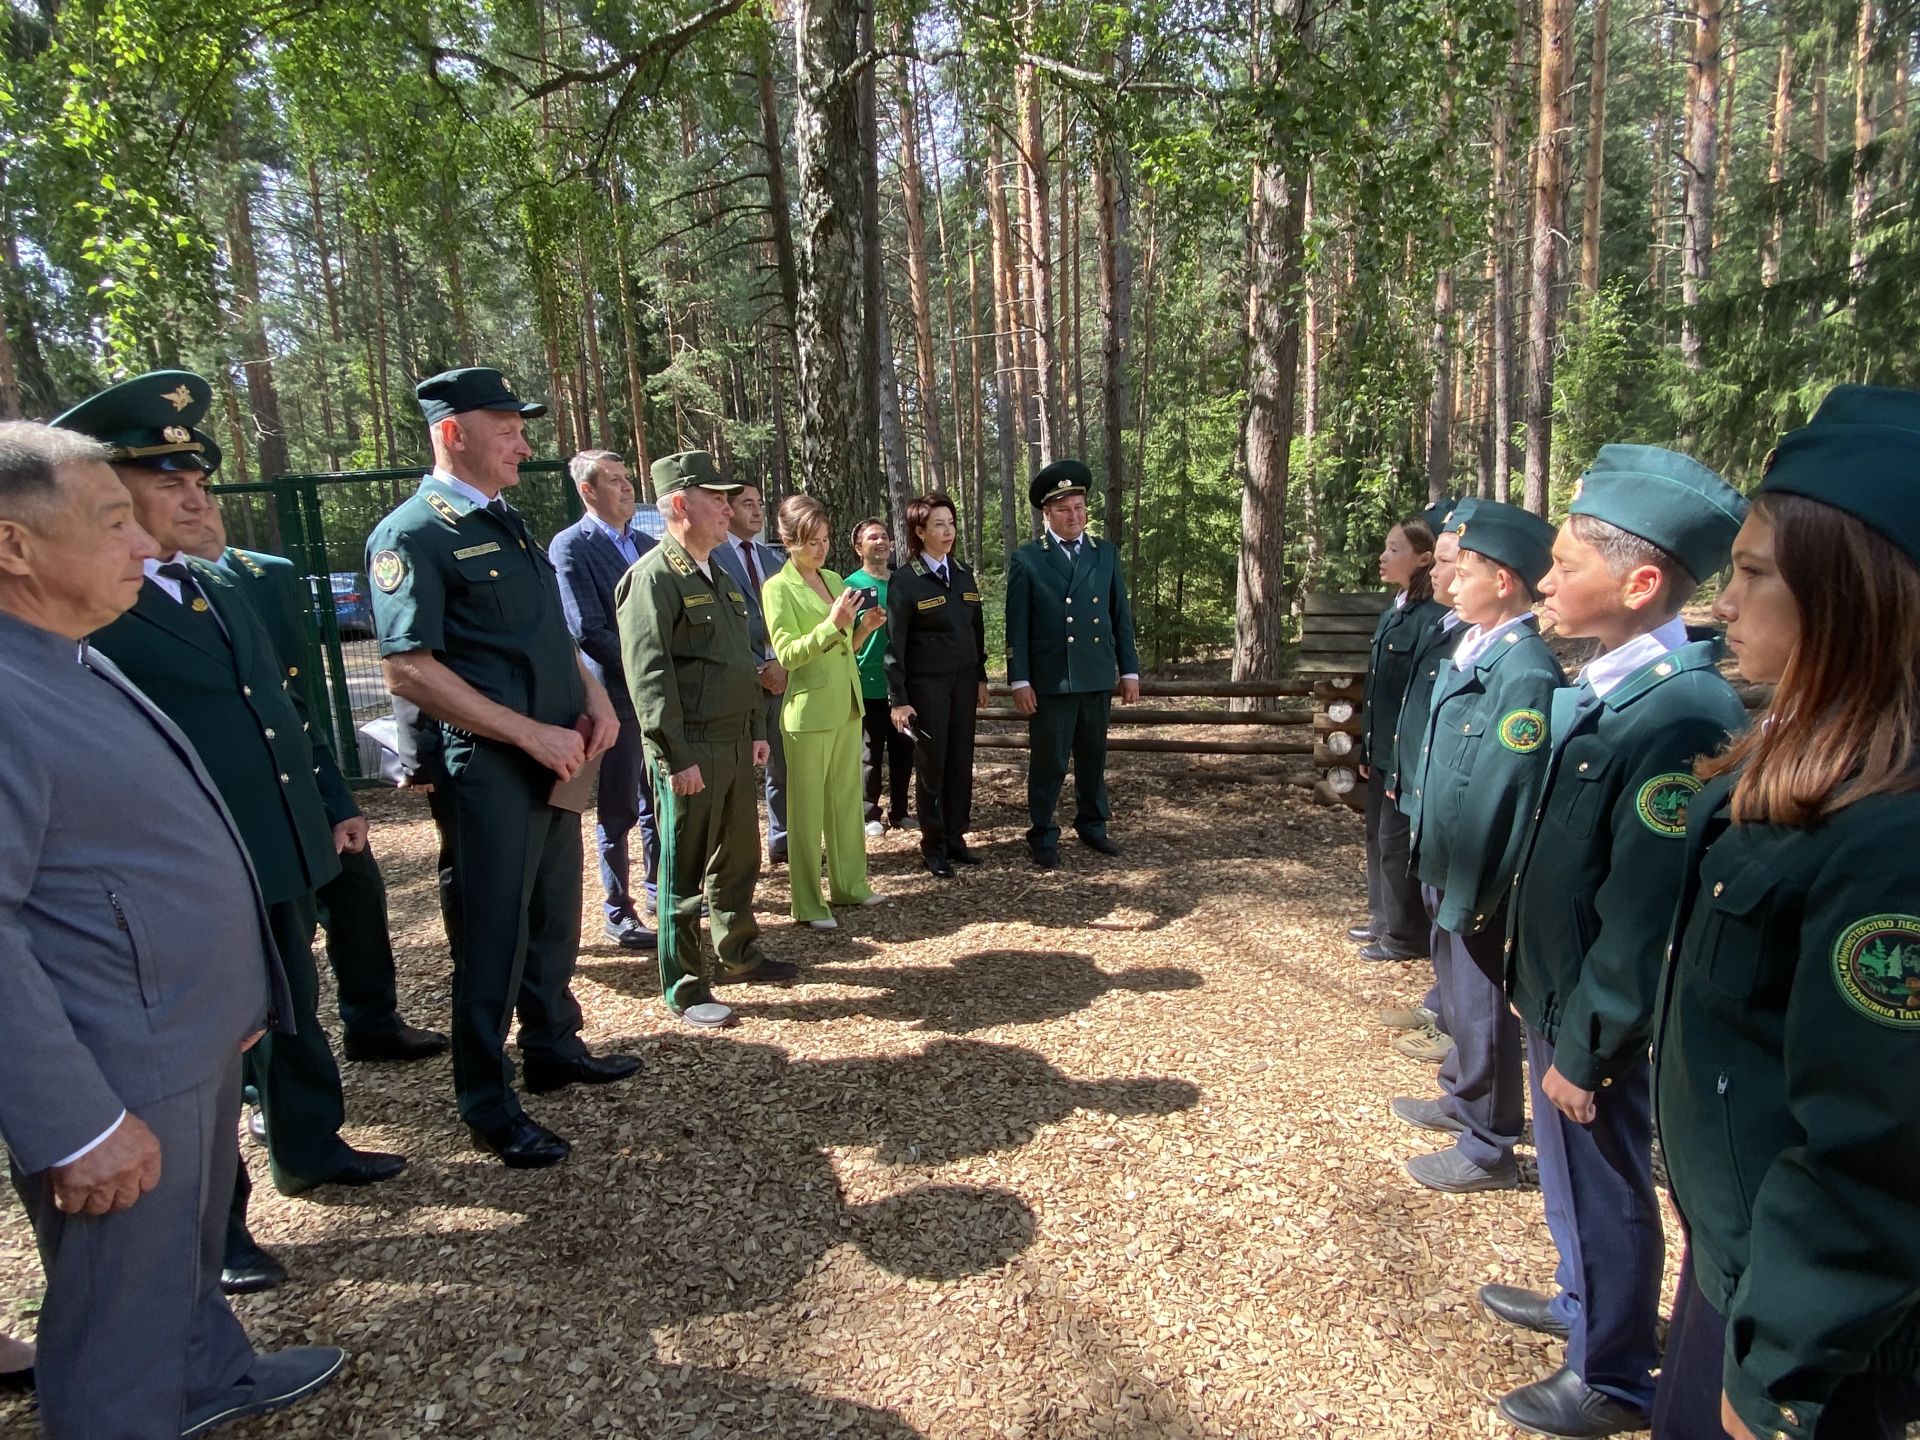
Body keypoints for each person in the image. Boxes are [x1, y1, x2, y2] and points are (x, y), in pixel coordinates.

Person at [0, 420, 343, 1439]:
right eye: (112, 521)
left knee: (179, 1266)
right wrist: (73, 1124)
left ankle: (202, 1375)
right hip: (112, 1069)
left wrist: (225, 998)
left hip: (171, 1034)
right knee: (118, 1311)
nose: (144, 543)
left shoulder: (64, 653)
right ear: (13, 547)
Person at [54, 372, 403, 1290]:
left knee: (290, 1008)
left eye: (196, 479)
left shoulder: (212, 586)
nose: (194, 496)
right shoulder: (96, 613)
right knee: (207, 1054)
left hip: (271, 848)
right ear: (112, 492)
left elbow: (279, 711)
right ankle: (219, 1228)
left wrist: (327, 804)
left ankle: (311, 1147)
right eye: (167, 482)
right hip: (189, 874)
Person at [1651, 386, 1920, 1440]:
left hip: (1807, 1337)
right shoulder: (1805, 761)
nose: (1724, 599)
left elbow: (1877, 1146)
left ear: (1849, 592)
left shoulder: (1890, 835)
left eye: (1756, 572)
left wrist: (1777, 1373)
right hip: (1738, 1258)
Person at [1488, 447, 1750, 1438]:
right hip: (1559, 990)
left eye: (1564, 563)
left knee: (1602, 1173)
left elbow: (1641, 912)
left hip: (1594, 1012)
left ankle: (1611, 1370)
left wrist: (1593, 1042)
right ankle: (1583, 1301)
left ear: (1640, 585)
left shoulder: (1682, 709)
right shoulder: (1616, 680)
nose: (1544, 579)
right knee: (1568, 1172)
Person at [366, 367, 635, 1171]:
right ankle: (488, 1102)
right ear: (454, 433)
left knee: (555, 915)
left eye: (523, 427)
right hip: (490, 768)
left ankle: (554, 1046)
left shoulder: (508, 521)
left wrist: (596, 699)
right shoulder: (412, 533)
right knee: (491, 937)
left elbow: (549, 635)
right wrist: (526, 733)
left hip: (559, 754)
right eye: (507, 428)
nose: (525, 443)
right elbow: (409, 669)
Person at [192, 504, 448, 1065]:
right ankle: (264, 1086)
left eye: (205, 487)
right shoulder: (133, 594)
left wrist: (334, 795)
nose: (200, 504)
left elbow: (291, 698)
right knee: (272, 945)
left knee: (356, 892)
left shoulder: (264, 573)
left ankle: (373, 1023)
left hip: (302, 780)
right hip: (230, 805)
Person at [1396, 500, 1563, 1193]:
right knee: (1458, 992)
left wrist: (1473, 886)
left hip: (1478, 874)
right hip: (1445, 859)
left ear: (1502, 581)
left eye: (1463, 572)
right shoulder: (1476, 646)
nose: (1449, 582)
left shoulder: (1524, 670)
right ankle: (1466, 1093)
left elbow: (1506, 793)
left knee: (1482, 997)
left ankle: (1491, 1139)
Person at [616, 452, 796, 1024]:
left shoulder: (716, 573)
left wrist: (753, 732)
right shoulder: (652, 579)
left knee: (738, 859)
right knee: (683, 871)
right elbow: (650, 680)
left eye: (728, 498)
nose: (726, 508)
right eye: (713, 498)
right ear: (677, 504)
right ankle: (686, 986)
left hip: (734, 746)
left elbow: (738, 661)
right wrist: (676, 757)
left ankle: (738, 953)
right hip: (689, 750)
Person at [1377, 498, 1476, 1066]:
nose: (1437, 575)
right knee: (1444, 921)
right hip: (1425, 788)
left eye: (1449, 564)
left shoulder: (1498, 653)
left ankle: (1465, 1045)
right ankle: (1444, 1007)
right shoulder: (1445, 626)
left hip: (1456, 815)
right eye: (1438, 562)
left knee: (1462, 930)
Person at [549, 448, 660, 949]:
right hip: (615, 696)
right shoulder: (570, 546)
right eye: (613, 480)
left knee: (657, 799)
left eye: (627, 478)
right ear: (587, 490)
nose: (627, 487)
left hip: (658, 694)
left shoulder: (647, 543)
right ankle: (619, 910)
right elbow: (586, 628)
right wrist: (644, 673)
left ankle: (661, 889)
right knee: (617, 809)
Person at [1005, 459, 1141, 868]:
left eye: (1079, 507)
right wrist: (1019, 680)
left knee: (1093, 755)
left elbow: (1120, 615)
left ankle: (1093, 824)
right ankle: (1043, 832)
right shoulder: (1028, 558)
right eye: (1064, 509)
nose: (1074, 516)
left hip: (1096, 673)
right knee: (1048, 761)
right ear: (1047, 513)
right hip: (1052, 679)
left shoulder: (1105, 553)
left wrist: (1128, 669)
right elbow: (1018, 627)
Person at [761, 494, 886, 927]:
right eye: (811, 542)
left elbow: (842, 650)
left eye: (825, 540)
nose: (821, 549)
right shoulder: (777, 588)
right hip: (808, 713)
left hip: (847, 703)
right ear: (788, 541)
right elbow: (789, 654)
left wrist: (862, 630)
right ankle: (808, 904)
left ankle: (850, 885)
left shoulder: (834, 578)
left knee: (846, 802)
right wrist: (830, 623)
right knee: (807, 810)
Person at [884, 492, 989, 878]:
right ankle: (933, 844)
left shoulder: (962, 574)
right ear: (920, 531)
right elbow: (893, 645)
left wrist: (980, 676)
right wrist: (899, 700)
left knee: (961, 760)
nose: (948, 532)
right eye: (939, 525)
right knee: (933, 765)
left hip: (963, 685)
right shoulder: (906, 582)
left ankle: (956, 836)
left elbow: (975, 631)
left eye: (951, 523)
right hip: (926, 688)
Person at [1355, 515, 1444, 963]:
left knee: (1397, 843)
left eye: (1394, 549)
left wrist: (1404, 759)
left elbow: (1423, 697)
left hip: (1406, 754)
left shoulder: (1433, 618)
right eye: (1386, 548)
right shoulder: (1396, 609)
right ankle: (1382, 918)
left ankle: (1406, 934)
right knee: (1376, 837)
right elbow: (1379, 691)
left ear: (1424, 558)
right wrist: (1369, 748)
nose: (1383, 556)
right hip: (1383, 748)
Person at [710, 481, 790, 864]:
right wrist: (755, 669)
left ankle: (784, 841)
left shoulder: (775, 559)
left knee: (783, 765)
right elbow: (720, 625)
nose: (757, 511)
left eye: (760, 504)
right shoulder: (712, 556)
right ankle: (739, 856)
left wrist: (783, 665)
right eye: (747, 504)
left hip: (782, 675)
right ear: (726, 508)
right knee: (738, 773)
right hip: (740, 681)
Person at [843, 516, 914, 836]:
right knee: (869, 752)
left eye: (885, 536)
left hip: (901, 682)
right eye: (872, 538)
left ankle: (901, 811)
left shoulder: (903, 581)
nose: (881, 542)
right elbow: (842, 638)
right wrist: (865, 625)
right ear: (859, 547)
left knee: (904, 749)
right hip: (865, 679)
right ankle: (869, 813)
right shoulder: (850, 585)